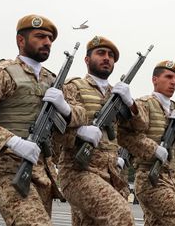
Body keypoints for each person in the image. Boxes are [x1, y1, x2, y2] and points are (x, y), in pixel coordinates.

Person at [0, 14, 85, 226]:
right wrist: (13, 142)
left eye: (50, 38)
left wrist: (65, 108)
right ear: (21, 40)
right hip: (8, 169)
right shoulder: (3, 73)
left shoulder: (53, 80)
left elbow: (81, 115)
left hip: (43, 171)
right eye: (40, 36)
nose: (47, 42)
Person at [118, 61, 175, 226]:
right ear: (155, 79)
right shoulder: (144, 104)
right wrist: (153, 149)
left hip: (172, 180)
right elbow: (124, 136)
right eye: (168, 77)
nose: (173, 82)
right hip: (150, 179)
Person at [57, 36, 134, 225]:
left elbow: (136, 132)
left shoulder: (118, 94)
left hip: (113, 175)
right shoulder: (73, 87)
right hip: (79, 171)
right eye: (100, 53)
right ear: (87, 59)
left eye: (111, 55)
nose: (107, 58)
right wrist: (79, 134)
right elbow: (57, 131)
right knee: (121, 216)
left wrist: (132, 105)